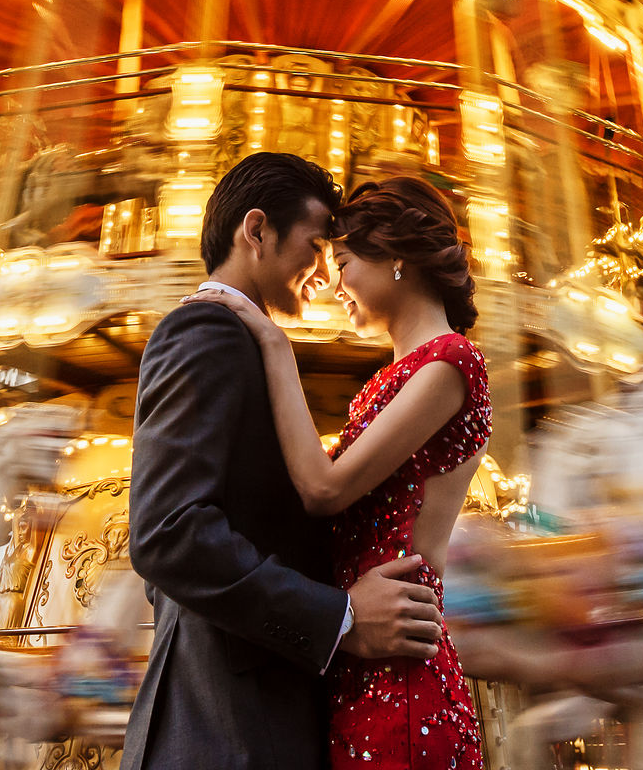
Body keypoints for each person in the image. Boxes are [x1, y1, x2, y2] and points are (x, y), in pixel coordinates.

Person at [125, 154, 448, 770]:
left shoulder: (244, 342)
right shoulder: (204, 332)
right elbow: (168, 533)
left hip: (254, 707)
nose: (327, 272)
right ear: (257, 232)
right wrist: (341, 617)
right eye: (317, 245)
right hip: (225, 721)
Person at [200, 176, 492, 770]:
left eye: (345, 262)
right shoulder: (396, 375)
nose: (334, 284)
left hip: (402, 682)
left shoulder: (450, 362)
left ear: (399, 258)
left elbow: (324, 489)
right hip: (362, 653)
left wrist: (274, 345)